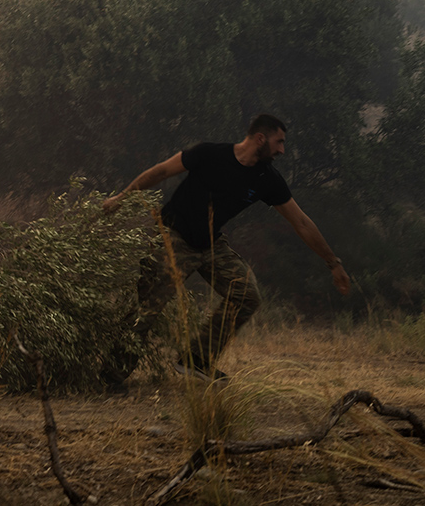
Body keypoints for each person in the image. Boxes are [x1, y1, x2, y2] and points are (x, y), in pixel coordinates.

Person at [103, 114, 351, 381]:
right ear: (260, 138)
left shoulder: (267, 179)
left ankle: (195, 360)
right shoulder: (209, 154)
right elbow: (162, 171)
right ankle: (110, 374)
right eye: (279, 142)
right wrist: (122, 197)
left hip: (211, 245)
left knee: (247, 295)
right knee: (148, 306)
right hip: (172, 236)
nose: (282, 150)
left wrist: (333, 263)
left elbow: (301, 222)